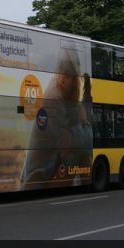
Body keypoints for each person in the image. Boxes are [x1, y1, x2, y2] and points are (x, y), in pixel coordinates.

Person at [20, 46, 92, 190]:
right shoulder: (53, 98)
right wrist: (85, 123)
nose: (63, 79)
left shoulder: (66, 99)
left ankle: (89, 188)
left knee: (80, 153)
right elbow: (67, 144)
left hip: (48, 175)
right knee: (79, 153)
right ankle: (89, 186)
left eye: (68, 74)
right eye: (61, 71)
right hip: (38, 181)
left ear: (74, 79)